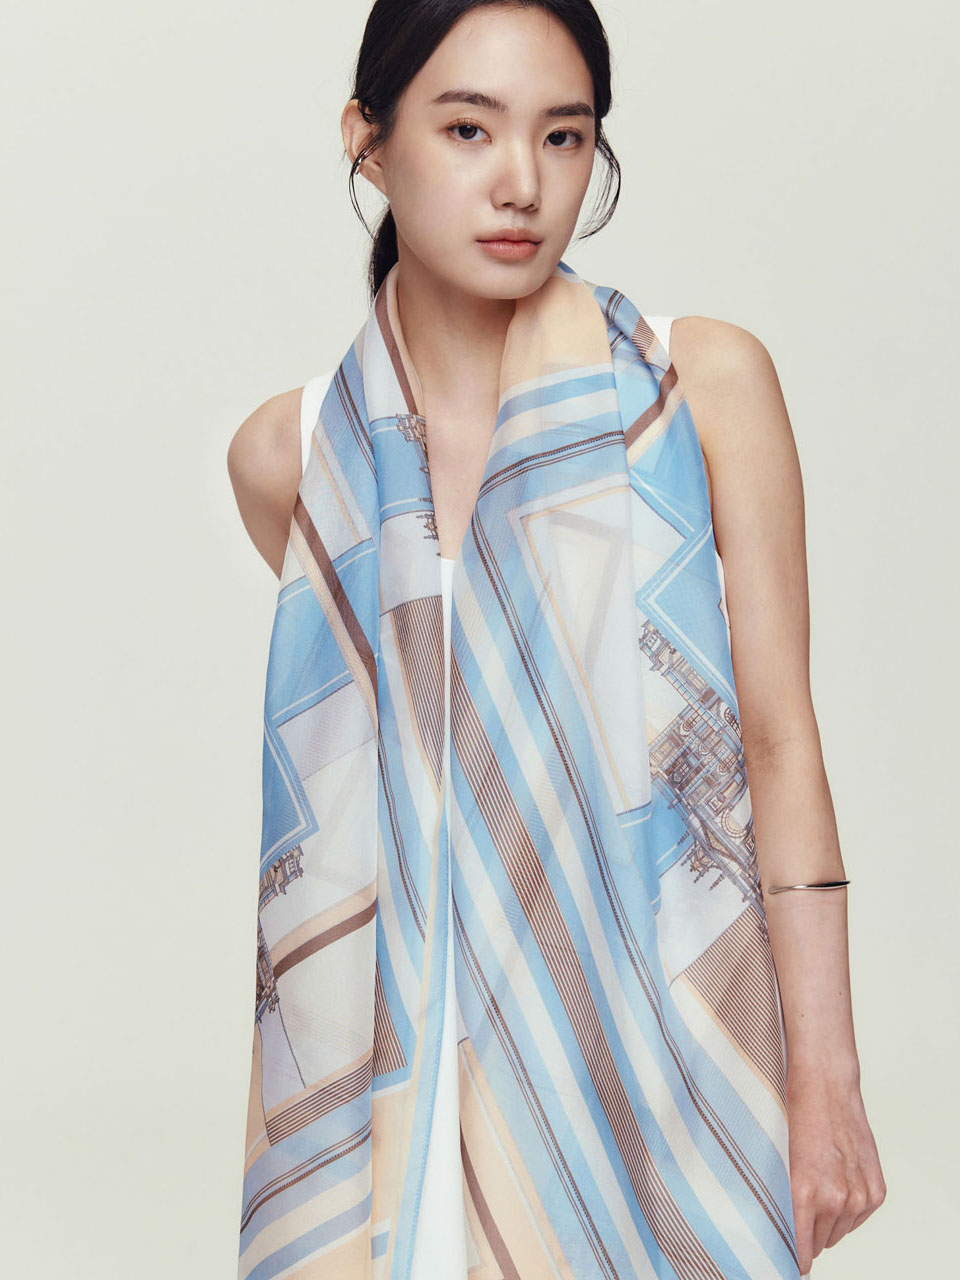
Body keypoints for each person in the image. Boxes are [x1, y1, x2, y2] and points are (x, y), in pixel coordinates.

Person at [227, 2, 885, 1276]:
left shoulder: (702, 388)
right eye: (468, 129)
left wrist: (828, 1077)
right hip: (398, 1084)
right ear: (368, 139)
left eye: (564, 135)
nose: (523, 183)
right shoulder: (295, 456)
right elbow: (421, 767)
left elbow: (778, 740)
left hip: (655, 1059)